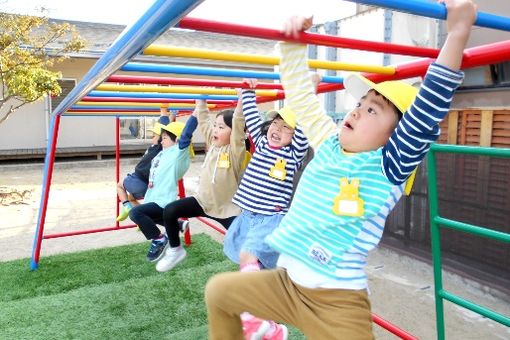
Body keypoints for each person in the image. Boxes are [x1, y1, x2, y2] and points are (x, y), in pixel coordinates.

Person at [205, 1, 476, 339]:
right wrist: (293, 45)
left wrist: (458, 34)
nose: (358, 111)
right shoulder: (330, 142)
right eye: (360, 104)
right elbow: (302, 100)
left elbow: (429, 106)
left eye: (373, 110)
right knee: (220, 293)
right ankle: (268, 329)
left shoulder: (388, 164)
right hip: (286, 284)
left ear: (396, 135)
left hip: (336, 301)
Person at [221, 79, 309, 338]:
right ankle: (271, 327)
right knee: (255, 267)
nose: (277, 129)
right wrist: (248, 93)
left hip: (271, 217)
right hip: (248, 216)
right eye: (275, 124)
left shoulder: (293, 155)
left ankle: (251, 315)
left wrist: (305, 92)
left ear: (294, 137)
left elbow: (304, 127)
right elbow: (250, 115)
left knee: (249, 258)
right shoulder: (260, 143)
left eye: (286, 128)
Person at [155, 99, 247, 272]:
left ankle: (257, 271)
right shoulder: (212, 145)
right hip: (202, 202)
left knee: (244, 246)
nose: (215, 130)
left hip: (226, 209)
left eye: (221, 127)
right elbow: (203, 121)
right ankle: (175, 250)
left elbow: (238, 122)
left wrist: (241, 102)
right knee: (170, 211)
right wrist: (201, 102)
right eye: (215, 126)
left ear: (233, 132)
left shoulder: (235, 152)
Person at [128, 117, 197, 263]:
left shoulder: (178, 153)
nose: (161, 140)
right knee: (149, 217)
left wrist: (196, 114)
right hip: (153, 197)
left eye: (165, 138)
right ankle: (176, 225)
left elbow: (185, 136)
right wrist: (165, 114)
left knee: (135, 212)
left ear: (176, 140)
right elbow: (164, 127)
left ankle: (159, 239)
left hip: (163, 200)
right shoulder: (163, 152)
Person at [115, 107, 171, 222]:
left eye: (154, 136)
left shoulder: (157, 147)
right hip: (148, 187)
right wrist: (172, 116)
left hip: (137, 180)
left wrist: (163, 113)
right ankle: (141, 218)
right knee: (131, 198)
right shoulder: (165, 152)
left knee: (119, 186)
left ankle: (126, 207)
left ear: (161, 139)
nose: (152, 138)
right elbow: (169, 132)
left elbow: (165, 129)